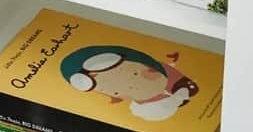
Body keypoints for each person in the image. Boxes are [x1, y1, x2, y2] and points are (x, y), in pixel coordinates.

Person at [60, 46, 198, 122]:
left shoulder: (174, 80)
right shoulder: (145, 110)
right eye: (115, 91)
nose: (131, 86)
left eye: (136, 75)